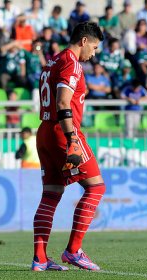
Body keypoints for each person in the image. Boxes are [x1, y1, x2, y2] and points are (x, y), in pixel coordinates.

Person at [32, 22, 105, 271]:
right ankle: (73, 250)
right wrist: (72, 138)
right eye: (94, 47)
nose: (93, 53)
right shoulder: (72, 63)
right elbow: (63, 101)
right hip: (63, 131)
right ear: (84, 41)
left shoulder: (52, 61)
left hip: (44, 130)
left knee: (51, 195)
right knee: (96, 187)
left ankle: (40, 258)